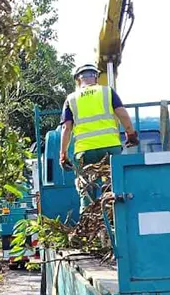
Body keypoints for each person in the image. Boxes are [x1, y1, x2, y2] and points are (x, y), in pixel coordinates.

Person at [59, 63, 139, 206]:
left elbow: (66, 128)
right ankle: (115, 218)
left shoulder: (71, 99)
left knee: (86, 189)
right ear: (96, 77)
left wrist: (63, 154)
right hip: (110, 149)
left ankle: (87, 221)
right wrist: (130, 134)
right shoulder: (107, 92)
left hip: (85, 151)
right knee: (115, 186)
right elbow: (122, 114)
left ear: (78, 80)